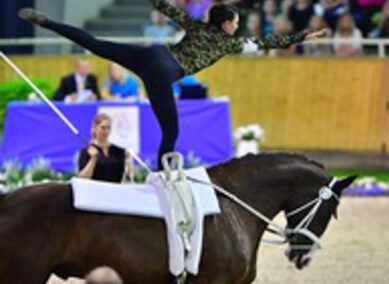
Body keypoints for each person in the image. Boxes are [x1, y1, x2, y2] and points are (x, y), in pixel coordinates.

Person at [19, 3, 325, 169]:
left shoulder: (197, 25)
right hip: (164, 71)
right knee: (171, 132)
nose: (235, 25)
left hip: (153, 53)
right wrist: (300, 37)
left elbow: (167, 8)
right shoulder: (231, 43)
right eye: (233, 22)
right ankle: (161, 178)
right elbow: (267, 42)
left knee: (96, 44)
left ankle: (49, 24)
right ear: (225, 25)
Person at [78, 113, 135, 183]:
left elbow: (128, 178)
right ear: (95, 128)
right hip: (94, 191)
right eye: (103, 127)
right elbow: (82, 179)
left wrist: (128, 162)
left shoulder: (119, 151)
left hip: (115, 191)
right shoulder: (86, 152)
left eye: (108, 128)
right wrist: (93, 160)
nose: (106, 131)